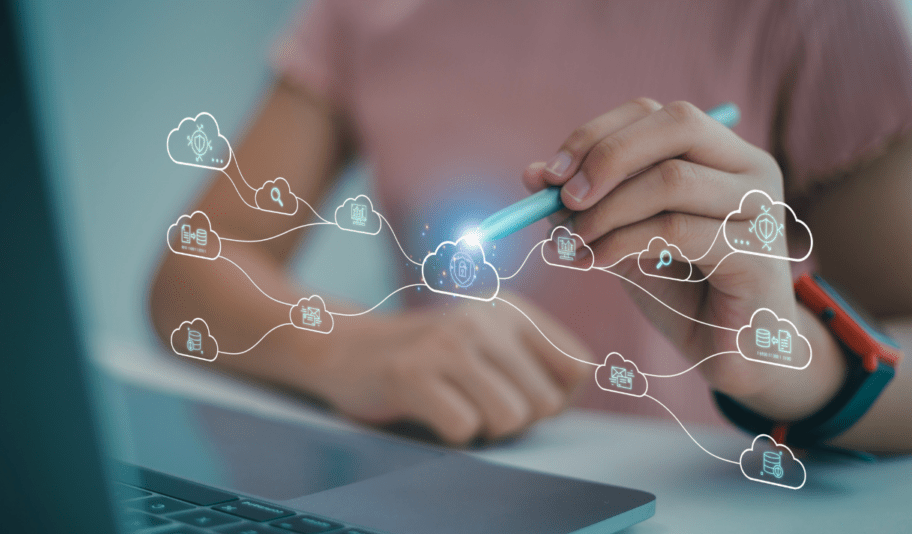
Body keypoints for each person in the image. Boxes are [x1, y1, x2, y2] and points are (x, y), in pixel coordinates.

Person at [150, 0, 912, 451]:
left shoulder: (814, 18)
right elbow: (195, 262)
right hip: (460, 491)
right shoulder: (366, 13)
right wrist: (362, 351)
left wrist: (793, 367)